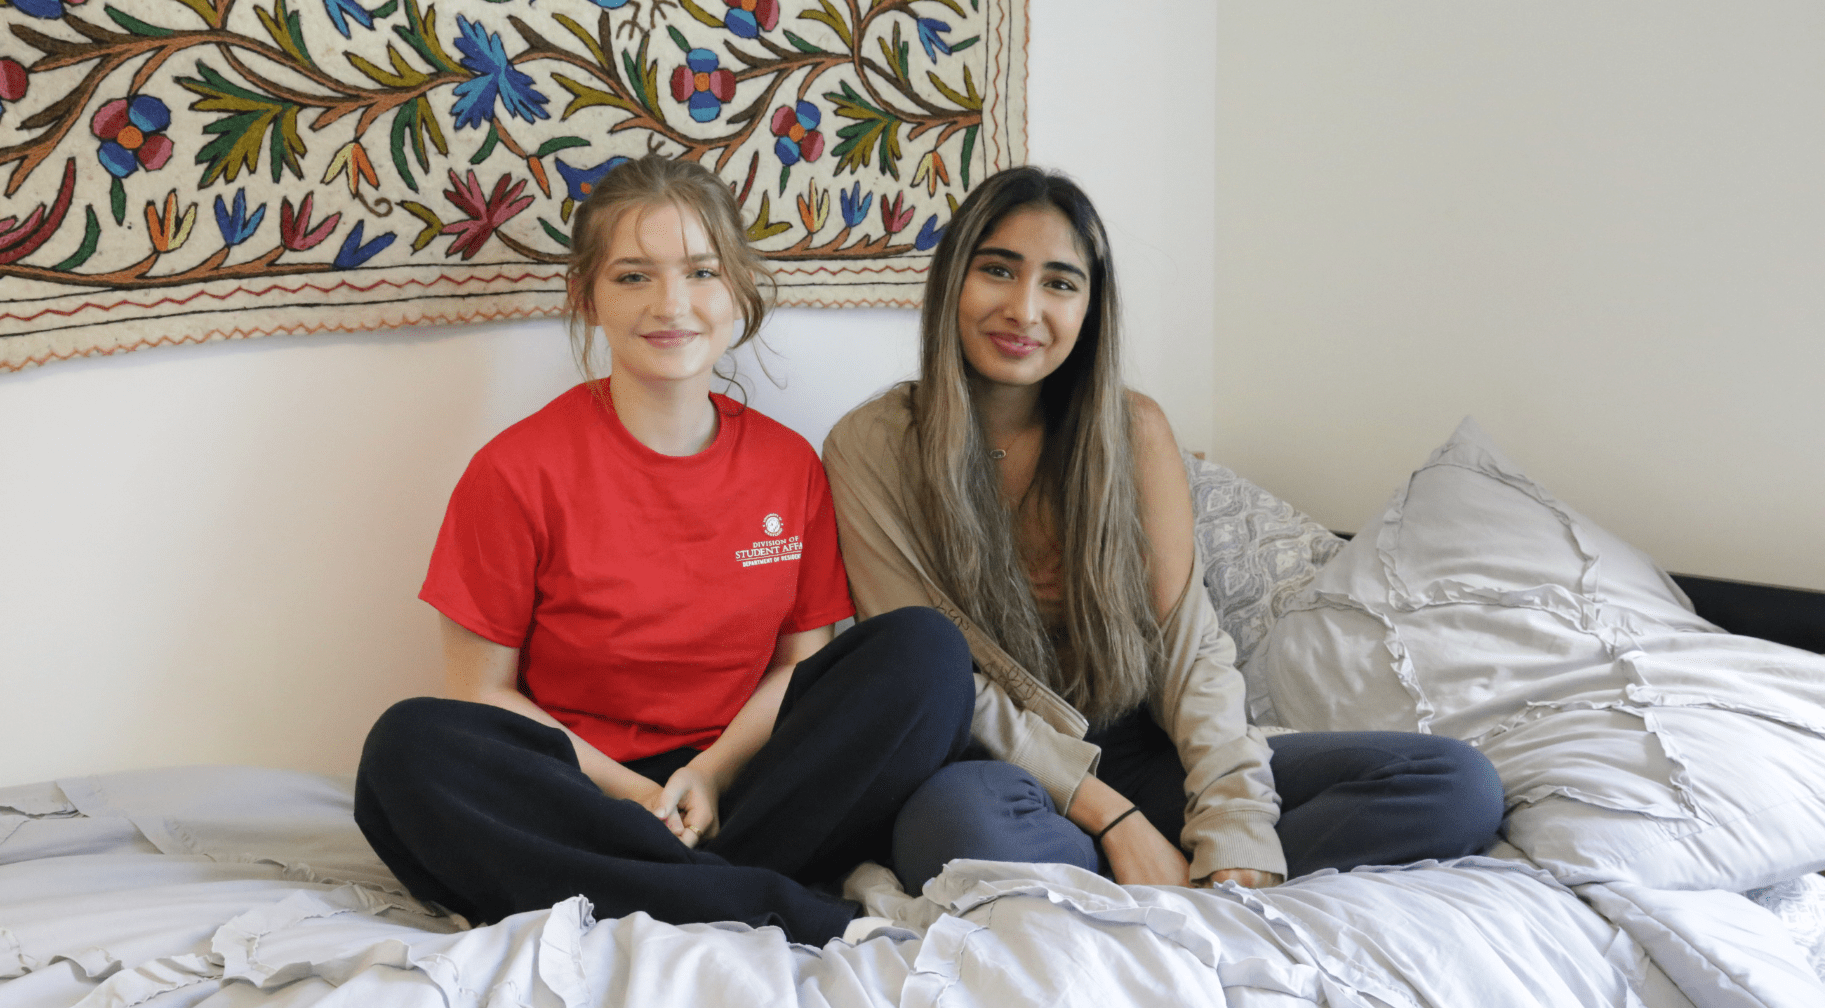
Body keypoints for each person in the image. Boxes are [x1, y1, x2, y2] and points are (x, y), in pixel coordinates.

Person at [822, 167, 1505, 894]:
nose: (1024, 310)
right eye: (997, 271)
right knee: (957, 831)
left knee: (1455, 784)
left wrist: (1233, 822)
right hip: (992, 766)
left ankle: (1165, 886)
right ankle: (1136, 876)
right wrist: (1116, 823)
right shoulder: (869, 447)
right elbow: (941, 684)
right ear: (951, 281)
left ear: (1091, 307)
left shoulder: (1134, 431)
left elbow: (1189, 648)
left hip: (1141, 749)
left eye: (1059, 283)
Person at [355, 155, 974, 945]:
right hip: (579, 794)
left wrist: (709, 774)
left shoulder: (790, 466)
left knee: (928, 654)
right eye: (633, 277)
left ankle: (653, 891)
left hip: (748, 789)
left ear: (739, 287)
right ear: (586, 297)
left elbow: (799, 669)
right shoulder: (513, 472)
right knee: (404, 751)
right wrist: (634, 797)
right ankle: (756, 900)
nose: (671, 304)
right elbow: (482, 695)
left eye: (701, 271)